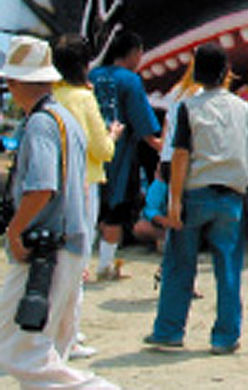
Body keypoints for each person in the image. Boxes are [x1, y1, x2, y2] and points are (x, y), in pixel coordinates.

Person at [0, 36, 119, 389]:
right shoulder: (66, 118)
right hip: (70, 244)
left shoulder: (39, 124)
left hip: (44, 250)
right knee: (47, 348)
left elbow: (41, 187)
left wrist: (14, 230)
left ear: (16, 83)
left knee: (21, 350)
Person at [145, 43, 248, 355]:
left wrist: (174, 202)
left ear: (196, 72)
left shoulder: (188, 108)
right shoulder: (245, 109)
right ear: (227, 72)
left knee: (180, 265)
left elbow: (180, 155)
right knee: (229, 268)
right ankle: (225, 337)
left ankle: (169, 331)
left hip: (194, 194)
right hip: (232, 197)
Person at [52, 34, 120, 360]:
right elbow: (102, 150)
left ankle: (57, 329)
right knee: (76, 262)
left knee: (56, 261)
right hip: (84, 184)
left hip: (52, 186)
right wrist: (113, 135)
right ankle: (69, 336)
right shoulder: (83, 99)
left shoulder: (51, 96)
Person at [89, 30, 161, 281]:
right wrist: (162, 146)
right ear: (133, 53)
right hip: (119, 155)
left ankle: (85, 265)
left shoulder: (93, 75)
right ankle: (105, 266)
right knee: (116, 208)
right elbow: (143, 123)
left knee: (89, 207)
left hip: (90, 153)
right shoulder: (130, 80)